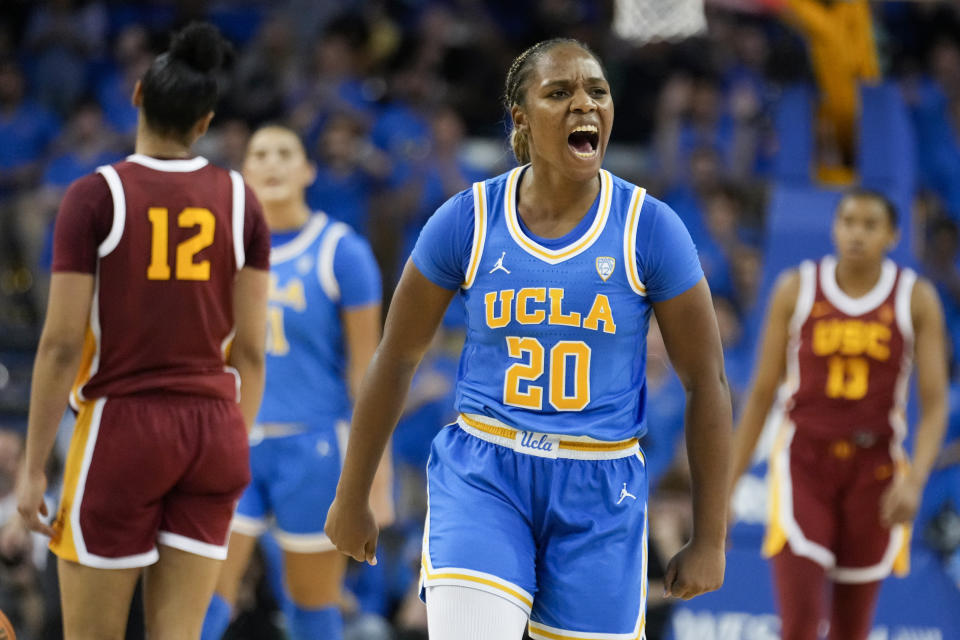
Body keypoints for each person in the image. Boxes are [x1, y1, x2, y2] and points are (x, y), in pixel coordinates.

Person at [325, 38, 732, 640]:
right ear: (521, 116)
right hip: (487, 471)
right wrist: (353, 493)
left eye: (597, 90)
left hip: (600, 485)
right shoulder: (467, 218)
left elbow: (707, 382)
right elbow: (396, 357)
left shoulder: (651, 227)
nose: (584, 105)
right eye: (560, 92)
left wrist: (711, 537)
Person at [15, 22, 270, 640]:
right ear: (205, 121)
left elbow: (59, 344)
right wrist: (235, 435)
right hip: (214, 431)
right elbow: (254, 352)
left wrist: (31, 468)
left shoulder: (94, 195)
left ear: (136, 97)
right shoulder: (241, 199)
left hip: (123, 426)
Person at [729, 190, 948, 640]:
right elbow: (759, 396)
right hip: (804, 463)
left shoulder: (915, 298)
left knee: (852, 629)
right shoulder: (797, 287)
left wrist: (916, 479)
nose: (857, 233)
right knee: (800, 625)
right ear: (834, 228)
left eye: (870, 225)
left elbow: (936, 403)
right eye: (848, 221)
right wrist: (725, 489)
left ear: (893, 234)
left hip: (876, 469)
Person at [201, 124, 390, 640]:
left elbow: (368, 375)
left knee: (311, 605)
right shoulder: (216, 251)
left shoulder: (341, 251)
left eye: (286, 153)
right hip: (232, 446)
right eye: (259, 153)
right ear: (244, 172)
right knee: (202, 602)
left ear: (308, 170)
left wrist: (379, 477)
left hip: (315, 449)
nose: (273, 163)